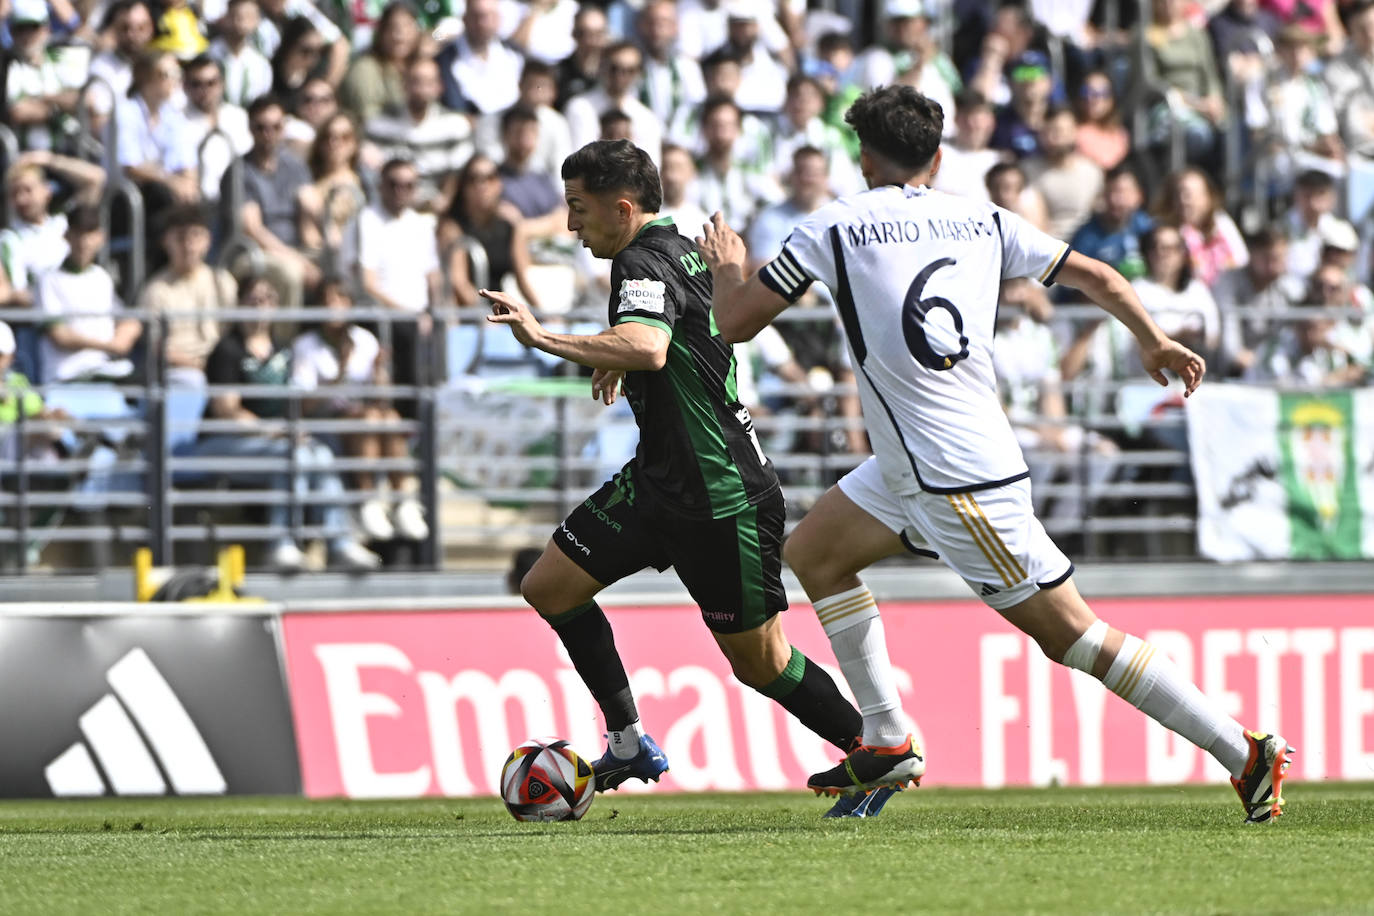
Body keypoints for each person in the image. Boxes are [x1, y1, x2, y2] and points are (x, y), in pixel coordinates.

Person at [696, 84, 1293, 824]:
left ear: (864, 158)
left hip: (951, 478)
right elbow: (1100, 276)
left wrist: (726, 263)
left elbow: (735, 322)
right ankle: (884, 737)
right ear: (937, 157)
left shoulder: (837, 224)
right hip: (921, 461)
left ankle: (1243, 751)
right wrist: (1153, 337)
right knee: (817, 553)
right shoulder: (983, 216)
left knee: (1073, 635)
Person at [478, 139, 870, 814]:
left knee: (762, 663)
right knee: (549, 586)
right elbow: (678, 334)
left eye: (578, 209)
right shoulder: (682, 248)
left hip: (719, 495)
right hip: (660, 482)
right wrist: (621, 355)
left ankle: (871, 752)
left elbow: (649, 345)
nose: (571, 225)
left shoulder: (639, 257)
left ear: (622, 208)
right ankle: (628, 739)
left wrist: (545, 338)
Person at [193, 274, 381, 572]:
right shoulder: (226, 350)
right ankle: (280, 543)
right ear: (239, 304)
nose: (260, 305)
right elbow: (226, 411)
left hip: (274, 439)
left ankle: (339, 543)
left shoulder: (283, 349)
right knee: (291, 456)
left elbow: (294, 404)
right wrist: (274, 431)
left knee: (320, 453)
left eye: (267, 299)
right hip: (222, 442)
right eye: (253, 299)